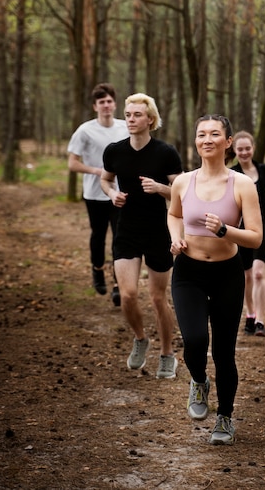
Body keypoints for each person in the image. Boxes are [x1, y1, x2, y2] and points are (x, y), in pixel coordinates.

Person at [167, 115, 262, 445]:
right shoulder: (182, 182)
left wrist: (225, 230)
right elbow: (174, 213)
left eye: (215, 134)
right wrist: (176, 238)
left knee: (224, 352)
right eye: (201, 134)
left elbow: (255, 238)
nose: (207, 139)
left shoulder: (242, 185)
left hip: (226, 274)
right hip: (188, 274)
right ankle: (198, 381)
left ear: (228, 142)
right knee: (193, 340)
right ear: (196, 141)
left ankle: (224, 417)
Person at [100, 93, 183, 379]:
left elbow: (182, 192)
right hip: (127, 229)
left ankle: (167, 354)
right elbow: (105, 178)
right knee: (127, 295)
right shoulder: (114, 150)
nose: (131, 119)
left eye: (137, 115)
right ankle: (140, 339)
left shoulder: (166, 152)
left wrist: (160, 188)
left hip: (158, 230)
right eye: (129, 114)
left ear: (150, 119)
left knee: (158, 298)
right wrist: (112, 195)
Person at [68, 83, 129, 304]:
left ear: (115, 104)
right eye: (101, 102)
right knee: (98, 235)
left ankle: (117, 284)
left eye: (109, 101)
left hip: (119, 193)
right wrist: (96, 170)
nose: (106, 105)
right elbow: (72, 164)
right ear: (95, 106)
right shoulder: (85, 130)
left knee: (119, 237)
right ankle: (97, 269)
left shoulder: (125, 127)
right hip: (94, 193)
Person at [231, 131, 265, 337]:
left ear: (253, 148)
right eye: (240, 149)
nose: (244, 152)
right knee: (247, 276)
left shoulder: (264, 169)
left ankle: (260, 320)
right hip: (241, 229)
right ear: (234, 151)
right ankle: (250, 315)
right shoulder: (232, 173)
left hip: (264, 226)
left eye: (247, 148)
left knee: (259, 272)